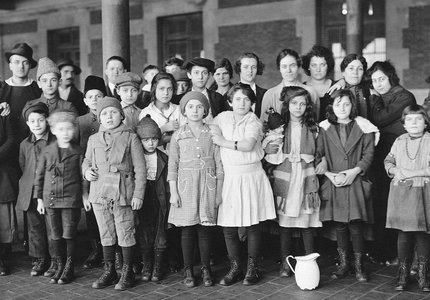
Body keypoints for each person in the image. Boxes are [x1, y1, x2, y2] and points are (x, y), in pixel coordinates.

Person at [211, 84, 276, 286]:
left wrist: (222, 140)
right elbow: (211, 130)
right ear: (230, 101)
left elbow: (248, 145)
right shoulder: (222, 117)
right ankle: (235, 267)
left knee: (251, 224)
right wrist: (217, 134)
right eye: (237, 99)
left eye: (246, 99)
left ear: (252, 103)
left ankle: (252, 268)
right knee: (229, 226)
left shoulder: (253, 121)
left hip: (250, 176)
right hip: (229, 176)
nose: (242, 103)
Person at [83, 97, 145, 291]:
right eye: (104, 114)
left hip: (124, 194)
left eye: (113, 112)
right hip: (100, 193)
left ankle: (127, 272)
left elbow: (140, 169)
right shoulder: (94, 139)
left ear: (121, 114)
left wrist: (138, 195)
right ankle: (110, 270)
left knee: (125, 231)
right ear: (99, 118)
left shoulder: (130, 137)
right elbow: (86, 160)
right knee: (106, 233)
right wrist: (86, 170)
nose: (109, 117)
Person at [316, 89, 378, 282]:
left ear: (353, 106)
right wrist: (329, 175)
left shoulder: (364, 127)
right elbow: (319, 155)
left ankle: (359, 265)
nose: (342, 108)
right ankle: (344, 264)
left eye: (346, 104)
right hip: (334, 181)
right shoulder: (324, 128)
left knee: (356, 225)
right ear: (331, 107)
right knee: (340, 225)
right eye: (337, 104)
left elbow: (368, 155)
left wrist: (354, 172)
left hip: (355, 180)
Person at [168, 91, 223, 288]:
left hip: (208, 184)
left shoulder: (213, 132)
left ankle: (206, 268)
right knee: (188, 229)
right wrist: (174, 193)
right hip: (186, 186)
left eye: (199, 107)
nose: (195, 110)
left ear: (205, 110)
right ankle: (188, 269)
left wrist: (218, 192)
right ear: (184, 110)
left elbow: (219, 164)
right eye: (190, 107)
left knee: (205, 229)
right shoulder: (178, 135)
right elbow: (172, 166)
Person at [266, 86, 321, 277]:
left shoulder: (314, 129)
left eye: (302, 103)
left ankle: (310, 261)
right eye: (294, 103)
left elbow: (320, 153)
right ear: (287, 105)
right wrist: (275, 143)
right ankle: (285, 261)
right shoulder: (281, 128)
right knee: (286, 222)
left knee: (306, 220)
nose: (298, 107)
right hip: (287, 175)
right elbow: (271, 153)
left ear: (308, 106)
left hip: (305, 174)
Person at [366, 61, 417, 264]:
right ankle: (385, 252)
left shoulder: (404, 96)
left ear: (390, 77)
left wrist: (374, 100)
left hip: (401, 158)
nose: (377, 84)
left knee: (397, 205)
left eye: (381, 79)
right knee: (382, 204)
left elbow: (379, 118)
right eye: (374, 80)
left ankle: (397, 254)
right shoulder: (386, 96)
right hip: (383, 157)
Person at [384, 105, 430, 292]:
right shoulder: (399, 141)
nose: (413, 123)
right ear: (403, 124)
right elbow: (388, 161)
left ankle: (423, 276)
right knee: (403, 235)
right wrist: (395, 170)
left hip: (423, 193)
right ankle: (402, 275)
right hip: (401, 193)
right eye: (409, 119)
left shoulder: (429, 140)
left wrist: (410, 173)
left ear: (425, 122)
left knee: (422, 234)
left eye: (418, 119)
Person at [34, 110, 83, 284]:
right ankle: (59, 264)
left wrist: (84, 196)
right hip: (50, 200)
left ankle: (69, 267)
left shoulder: (77, 151)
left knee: (69, 233)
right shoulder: (47, 151)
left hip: (71, 199)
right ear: (53, 130)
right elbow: (39, 176)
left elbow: (82, 176)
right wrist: (39, 199)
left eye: (69, 129)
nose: (65, 133)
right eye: (61, 129)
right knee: (55, 234)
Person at [17, 103, 55, 277]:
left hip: (50, 191)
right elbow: (23, 166)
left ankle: (55, 258)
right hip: (31, 191)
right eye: (32, 121)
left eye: (40, 120)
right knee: (34, 227)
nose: (37, 124)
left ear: (47, 121)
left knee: (52, 226)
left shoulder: (55, 141)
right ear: (27, 123)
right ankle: (40, 258)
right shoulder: (24, 144)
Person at [76, 75, 107, 269]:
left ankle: (110, 251)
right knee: (92, 215)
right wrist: (84, 190)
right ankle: (96, 250)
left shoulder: (112, 117)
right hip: (89, 174)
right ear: (85, 100)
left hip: (109, 174)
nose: (95, 100)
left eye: (98, 96)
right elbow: (79, 155)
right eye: (90, 96)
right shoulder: (80, 122)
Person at [135, 115, 170, 282]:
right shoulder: (135, 158)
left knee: (160, 232)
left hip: (160, 197)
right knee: (144, 231)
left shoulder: (164, 159)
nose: (151, 144)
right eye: (146, 140)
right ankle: (147, 264)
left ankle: (158, 265)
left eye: (154, 139)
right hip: (143, 196)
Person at [260, 49, 319, 124]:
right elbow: (264, 124)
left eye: (292, 66)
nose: (288, 70)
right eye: (284, 66)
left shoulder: (311, 92)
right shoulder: (270, 94)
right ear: (279, 69)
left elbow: (315, 123)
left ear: (298, 66)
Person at [0, 42, 41, 141]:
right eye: (16, 62)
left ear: (30, 65)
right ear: (10, 65)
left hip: (32, 141)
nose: (21, 67)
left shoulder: (38, 88)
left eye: (25, 62)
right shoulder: (1, 87)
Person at [138, 72, 186, 152]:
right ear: (154, 89)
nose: (166, 93)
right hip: (155, 159)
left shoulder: (179, 110)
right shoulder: (146, 113)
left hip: (179, 156)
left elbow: (186, 136)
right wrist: (163, 129)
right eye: (161, 89)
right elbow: (144, 143)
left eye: (169, 89)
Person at [0, 112, 19, 276]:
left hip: (2, 170)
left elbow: (11, 139)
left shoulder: (3, 115)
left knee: (3, 217)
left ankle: (4, 256)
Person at [302, 45, 335, 121]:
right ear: (308, 67)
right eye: (314, 65)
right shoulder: (301, 89)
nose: (318, 69)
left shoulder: (337, 87)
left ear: (328, 66)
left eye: (322, 65)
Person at [234, 53, 266, 117]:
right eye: (246, 67)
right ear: (239, 69)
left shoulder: (266, 94)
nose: (250, 70)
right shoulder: (230, 93)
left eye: (253, 67)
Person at [339, 54, 370, 118]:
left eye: (360, 69)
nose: (355, 72)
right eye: (351, 68)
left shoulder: (370, 90)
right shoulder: (335, 91)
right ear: (343, 72)